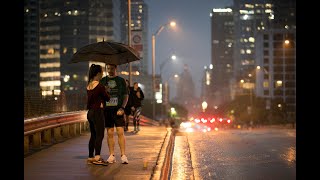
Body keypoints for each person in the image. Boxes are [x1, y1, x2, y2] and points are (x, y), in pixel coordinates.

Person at [100, 64, 129, 164]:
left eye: (112, 68)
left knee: (120, 132)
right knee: (110, 133)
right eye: (108, 68)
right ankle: (111, 155)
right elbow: (100, 96)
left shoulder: (121, 81)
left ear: (116, 69)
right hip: (107, 110)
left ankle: (123, 155)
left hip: (118, 110)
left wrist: (122, 108)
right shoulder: (103, 81)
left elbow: (125, 96)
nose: (110, 70)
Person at [86, 64, 110, 166]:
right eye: (102, 73)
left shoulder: (89, 85)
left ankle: (91, 156)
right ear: (98, 73)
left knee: (93, 135)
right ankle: (97, 157)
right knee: (100, 135)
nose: (102, 74)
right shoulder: (100, 86)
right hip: (98, 112)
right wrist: (106, 90)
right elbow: (107, 98)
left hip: (90, 112)